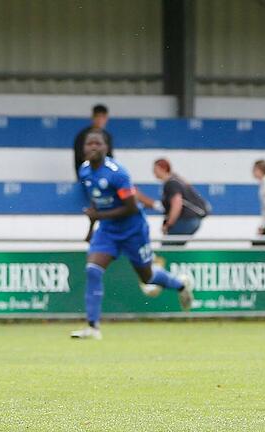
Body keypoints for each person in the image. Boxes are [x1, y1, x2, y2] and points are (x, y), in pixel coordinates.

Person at [72, 130, 193, 340]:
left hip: (133, 229)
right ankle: (93, 327)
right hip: (108, 230)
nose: (92, 147)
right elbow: (95, 201)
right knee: (93, 270)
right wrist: (91, 230)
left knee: (147, 277)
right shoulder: (84, 171)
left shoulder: (118, 173)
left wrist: (98, 215)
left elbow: (130, 208)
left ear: (105, 148)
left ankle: (181, 284)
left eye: (97, 143)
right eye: (88, 143)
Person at [152, 158, 209, 245]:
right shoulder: (177, 180)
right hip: (193, 220)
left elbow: (177, 203)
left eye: (155, 169)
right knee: (176, 247)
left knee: (168, 247)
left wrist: (168, 224)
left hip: (186, 219)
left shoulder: (171, 183)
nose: (154, 172)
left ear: (162, 169)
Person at [74, 104, 113, 180]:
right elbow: (81, 157)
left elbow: (110, 157)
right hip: (87, 177)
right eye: (98, 117)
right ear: (92, 118)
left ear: (106, 118)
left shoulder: (107, 136)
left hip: (104, 178)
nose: (100, 120)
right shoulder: (82, 136)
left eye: (103, 117)